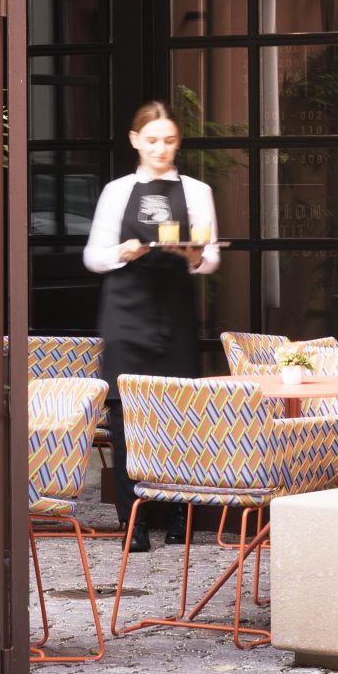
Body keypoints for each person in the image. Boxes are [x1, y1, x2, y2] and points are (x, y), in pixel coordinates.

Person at [84, 101, 222, 551]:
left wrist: (193, 254)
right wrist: (122, 252)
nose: (161, 149)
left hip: (175, 313)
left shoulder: (196, 190)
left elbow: (210, 256)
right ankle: (134, 522)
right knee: (126, 420)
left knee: (181, 417)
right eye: (152, 140)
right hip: (126, 313)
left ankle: (182, 515)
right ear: (135, 140)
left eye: (169, 141)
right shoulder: (117, 191)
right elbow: (93, 256)